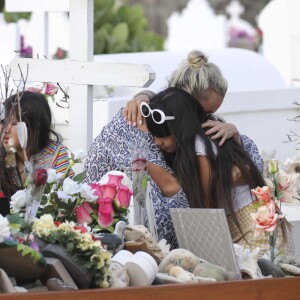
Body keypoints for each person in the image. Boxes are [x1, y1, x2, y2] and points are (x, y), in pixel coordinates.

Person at [143, 86, 293, 257]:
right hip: (253, 218)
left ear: (179, 129)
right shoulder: (202, 141)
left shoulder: (200, 146)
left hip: (252, 225)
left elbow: (207, 203)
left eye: (162, 136)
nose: (157, 142)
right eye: (154, 136)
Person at [84, 50, 264, 184]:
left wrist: (235, 136)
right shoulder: (143, 120)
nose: (207, 119)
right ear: (185, 103)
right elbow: (172, 194)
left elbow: (257, 165)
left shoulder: (184, 122)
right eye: (204, 113)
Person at [0, 91, 73, 199]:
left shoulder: (54, 154)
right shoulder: (5, 156)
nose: (6, 129)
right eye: (3, 121)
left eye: (15, 123)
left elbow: (67, 198)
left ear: (36, 126)